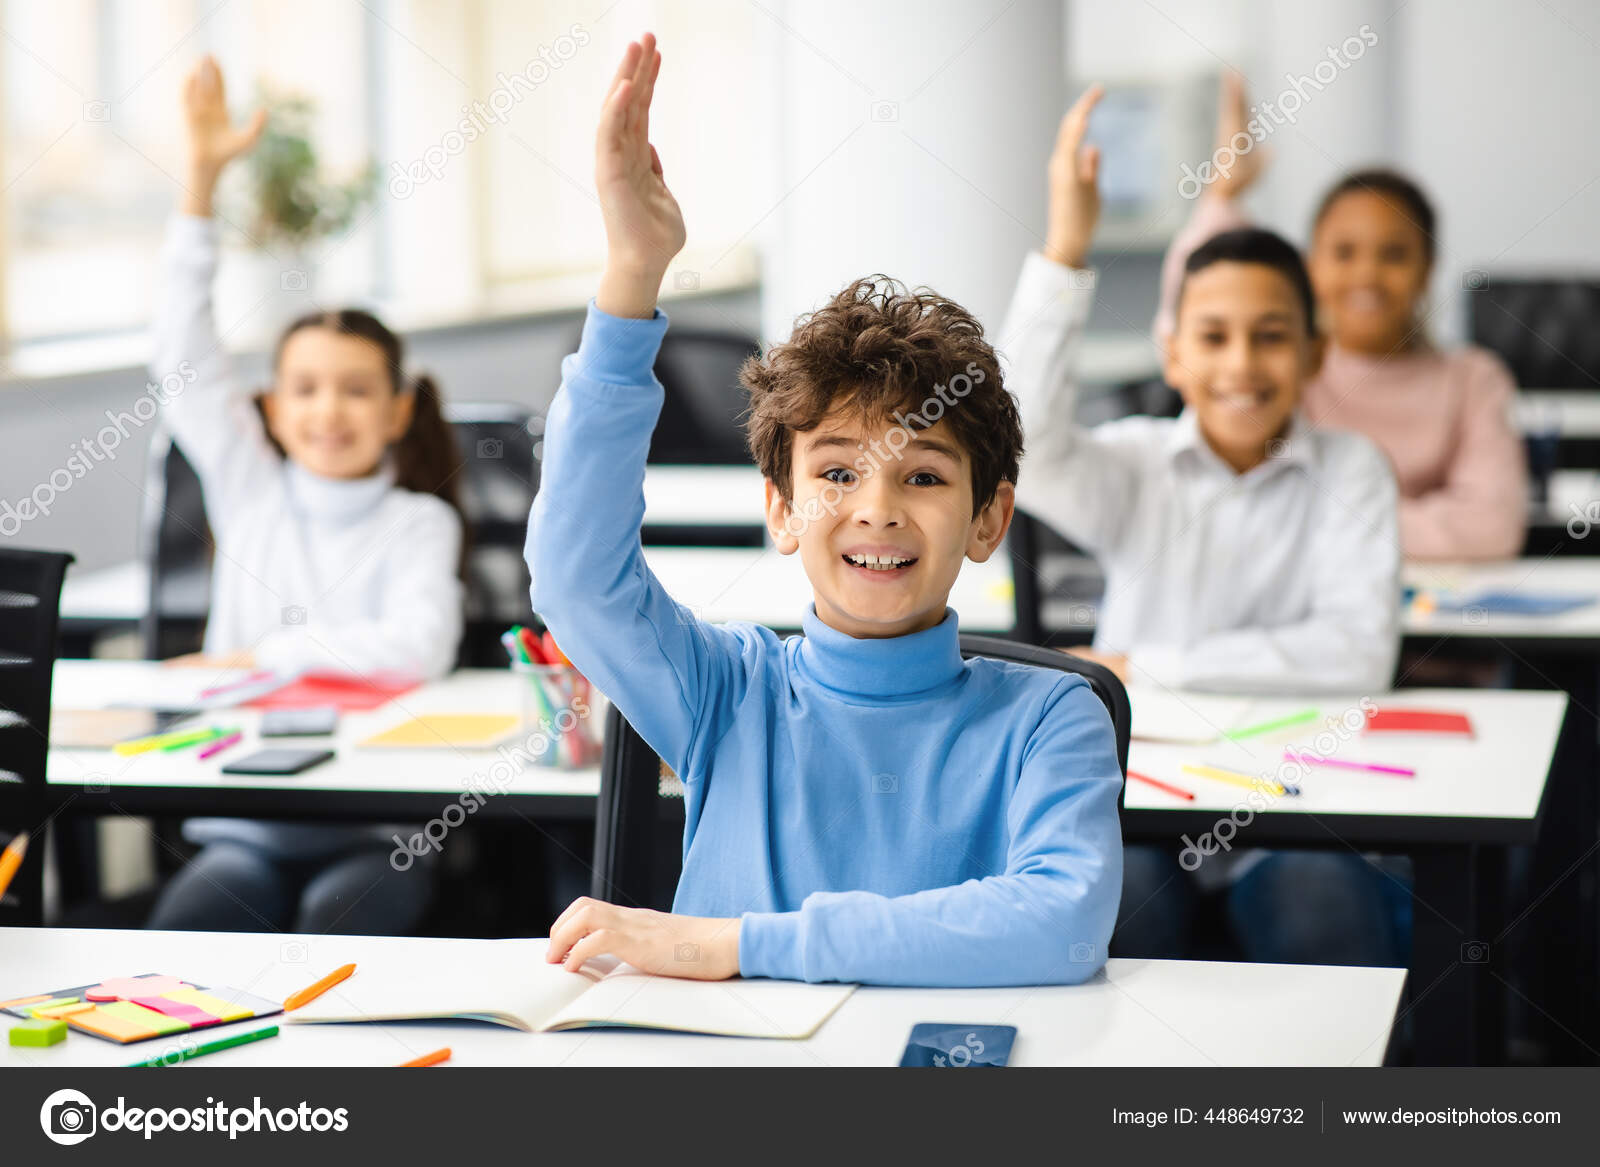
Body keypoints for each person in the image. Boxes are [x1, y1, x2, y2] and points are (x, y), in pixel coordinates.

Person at [530, 35, 1123, 985]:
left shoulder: (1054, 714)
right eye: (837, 475)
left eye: (923, 476)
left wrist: (734, 943)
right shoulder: (725, 691)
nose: (876, 511)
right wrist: (632, 276)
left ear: (989, 518)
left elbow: (1057, 921)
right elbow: (574, 574)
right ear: (781, 509)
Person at [1004, 85, 1406, 966]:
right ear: (1173, 353)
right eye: (1213, 336)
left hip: (1297, 802)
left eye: (1270, 336)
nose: (1241, 364)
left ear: (1312, 353)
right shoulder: (1136, 463)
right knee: (1118, 928)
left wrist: (1145, 669)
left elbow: (1356, 652)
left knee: (1322, 921)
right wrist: (1067, 249)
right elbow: (1021, 442)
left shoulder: (1353, 470)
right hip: (1140, 792)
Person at [145, 56, 464, 935]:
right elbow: (182, 359)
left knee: (340, 922)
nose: (330, 410)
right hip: (246, 821)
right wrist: (201, 186)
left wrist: (258, 662)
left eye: (358, 390)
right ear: (274, 411)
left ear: (399, 409)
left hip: (377, 825)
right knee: (190, 928)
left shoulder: (418, 523)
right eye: (307, 389)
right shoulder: (248, 493)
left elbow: (417, 648)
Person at [1157, 74, 1526, 562]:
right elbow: (1195, 308)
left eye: (1394, 254)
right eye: (1344, 252)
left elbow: (1491, 529)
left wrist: (1313, 520)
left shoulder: (1474, 379)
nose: (1367, 275)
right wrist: (1222, 197)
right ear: (1311, 266)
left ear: (1427, 269)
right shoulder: (1287, 367)